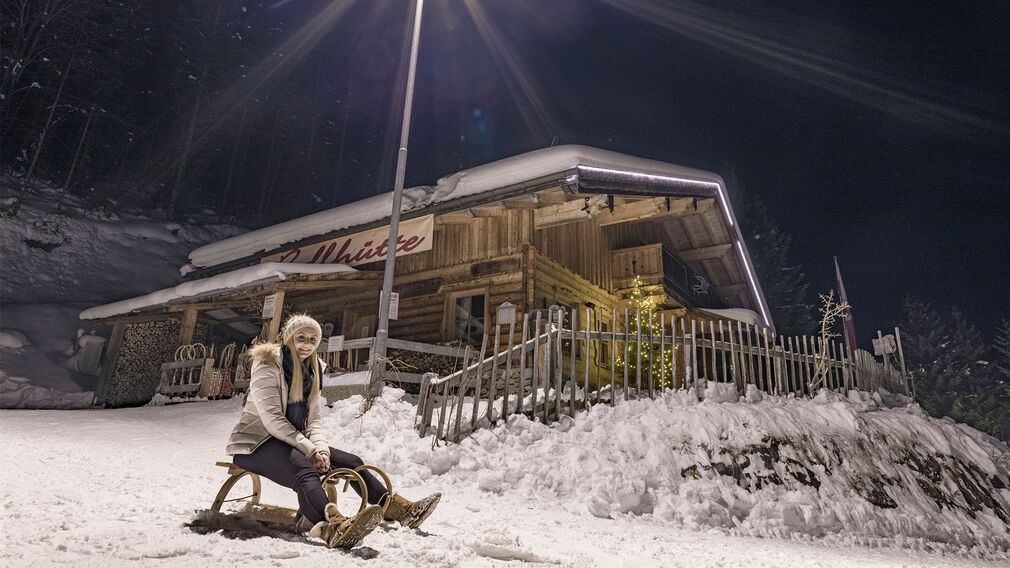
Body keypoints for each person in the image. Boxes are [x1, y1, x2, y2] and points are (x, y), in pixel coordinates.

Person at [226, 313, 441, 549]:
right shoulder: (268, 363)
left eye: (312, 340)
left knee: (352, 462)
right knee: (304, 471)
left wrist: (321, 450)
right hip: (255, 442)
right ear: (288, 339)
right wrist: (309, 450)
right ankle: (333, 527)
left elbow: (313, 419)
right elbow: (272, 419)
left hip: (292, 441)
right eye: (301, 338)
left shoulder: (312, 369)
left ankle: (400, 510)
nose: (306, 345)